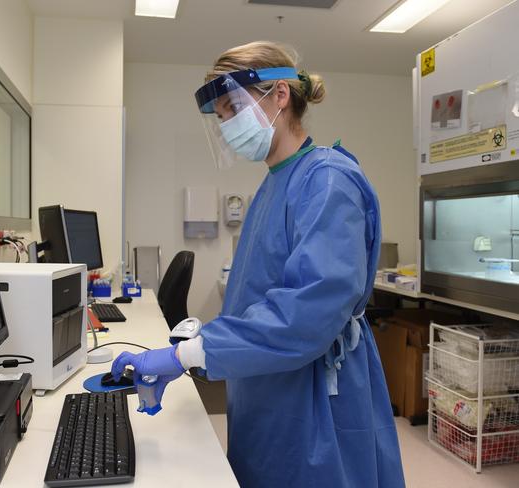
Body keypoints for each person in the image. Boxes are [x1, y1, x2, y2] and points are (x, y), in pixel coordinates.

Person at [112, 41, 405, 488]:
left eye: (232, 108)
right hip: (266, 385)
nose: (227, 124)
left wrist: (185, 354)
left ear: (280, 95)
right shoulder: (274, 184)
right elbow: (257, 294)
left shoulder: (327, 179)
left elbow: (306, 315)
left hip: (313, 393)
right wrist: (201, 347)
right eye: (222, 116)